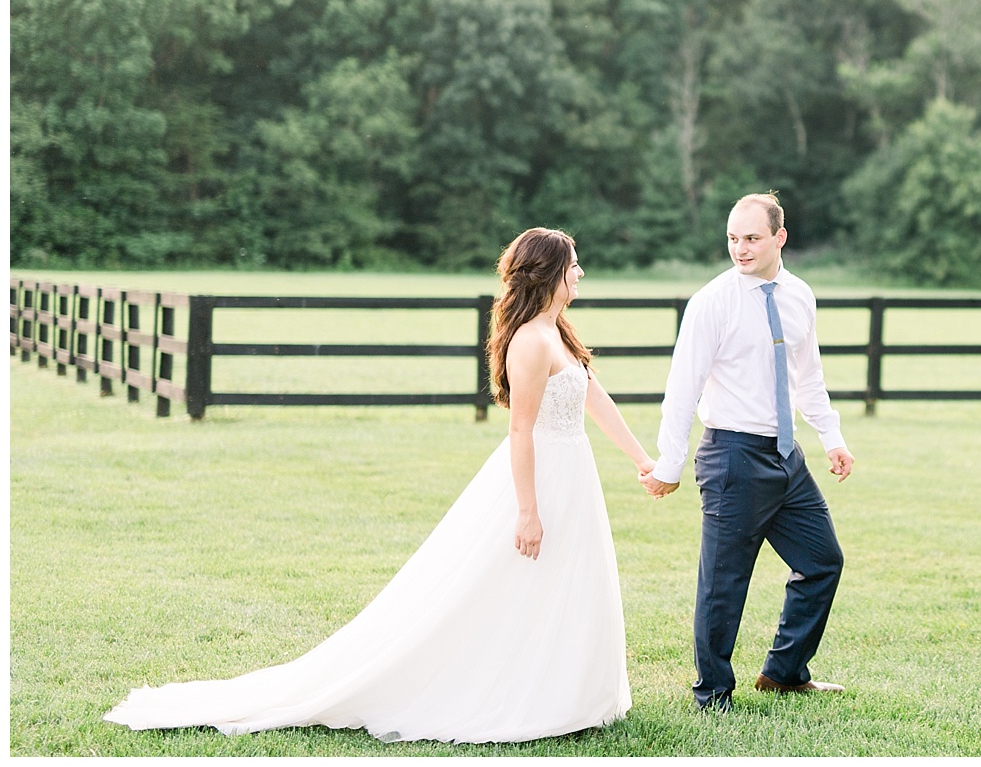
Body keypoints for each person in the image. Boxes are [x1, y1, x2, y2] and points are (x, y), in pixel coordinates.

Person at [104, 228, 655, 744]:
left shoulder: (557, 331)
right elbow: (520, 429)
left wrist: (640, 460)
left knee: (566, 581)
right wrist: (528, 511)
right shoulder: (531, 342)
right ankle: (523, 694)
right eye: (573, 266)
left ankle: (566, 691)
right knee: (506, 583)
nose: (580, 274)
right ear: (549, 274)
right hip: (543, 477)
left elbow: (592, 397)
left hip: (573, 472)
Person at [641, 193, 854, 710]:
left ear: (780, 237)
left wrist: (832, 436)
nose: (741, 248)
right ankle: (713, 693)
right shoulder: (711, 302)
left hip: (786, 457)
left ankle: (783, 672)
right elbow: (682, 389)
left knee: (823, 561)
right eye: (733, 238)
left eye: (752, 238)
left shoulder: (801, 296)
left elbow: (809, 378)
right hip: (732, 456)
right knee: (723, 584)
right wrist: (669, 463)